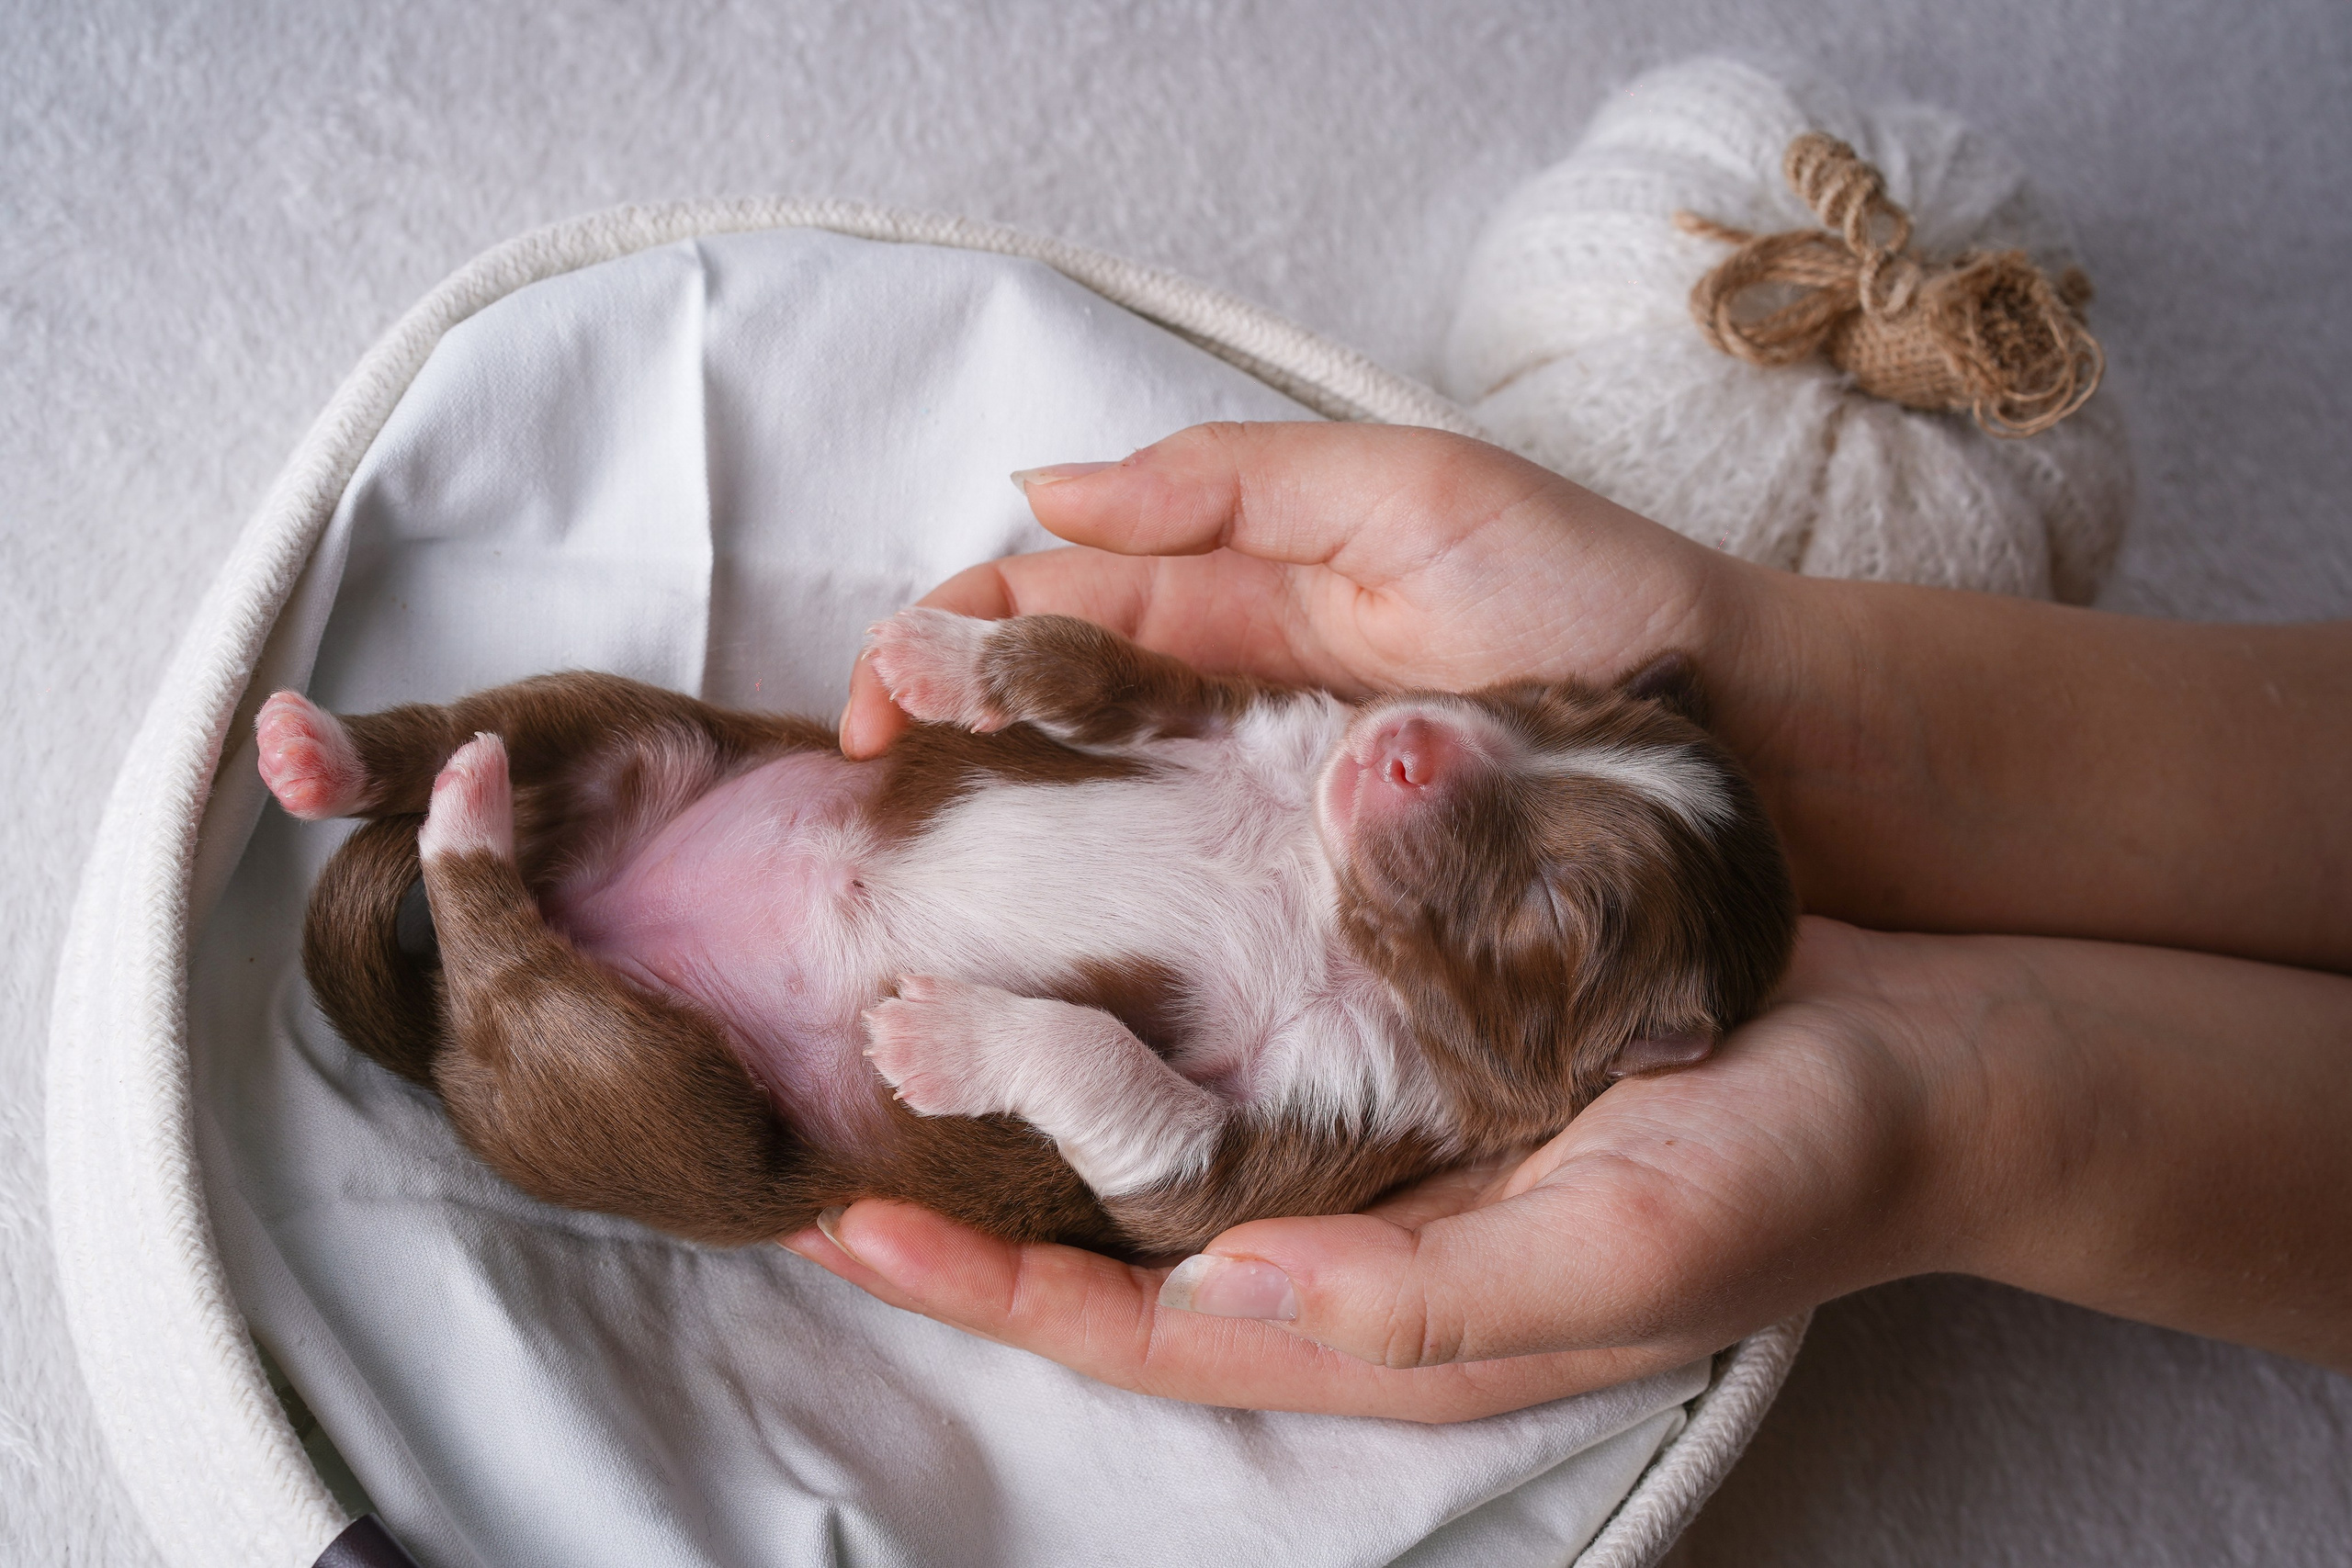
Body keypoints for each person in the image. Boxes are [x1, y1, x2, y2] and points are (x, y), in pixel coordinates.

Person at [783, 421, 2352, 1423]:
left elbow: (1190, 1176)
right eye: (1538, 716)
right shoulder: (1375, 804)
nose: (1430, 746)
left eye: (1547, 885)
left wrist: (1950, 1118)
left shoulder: (1408, 1082)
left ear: (1640, 1050)